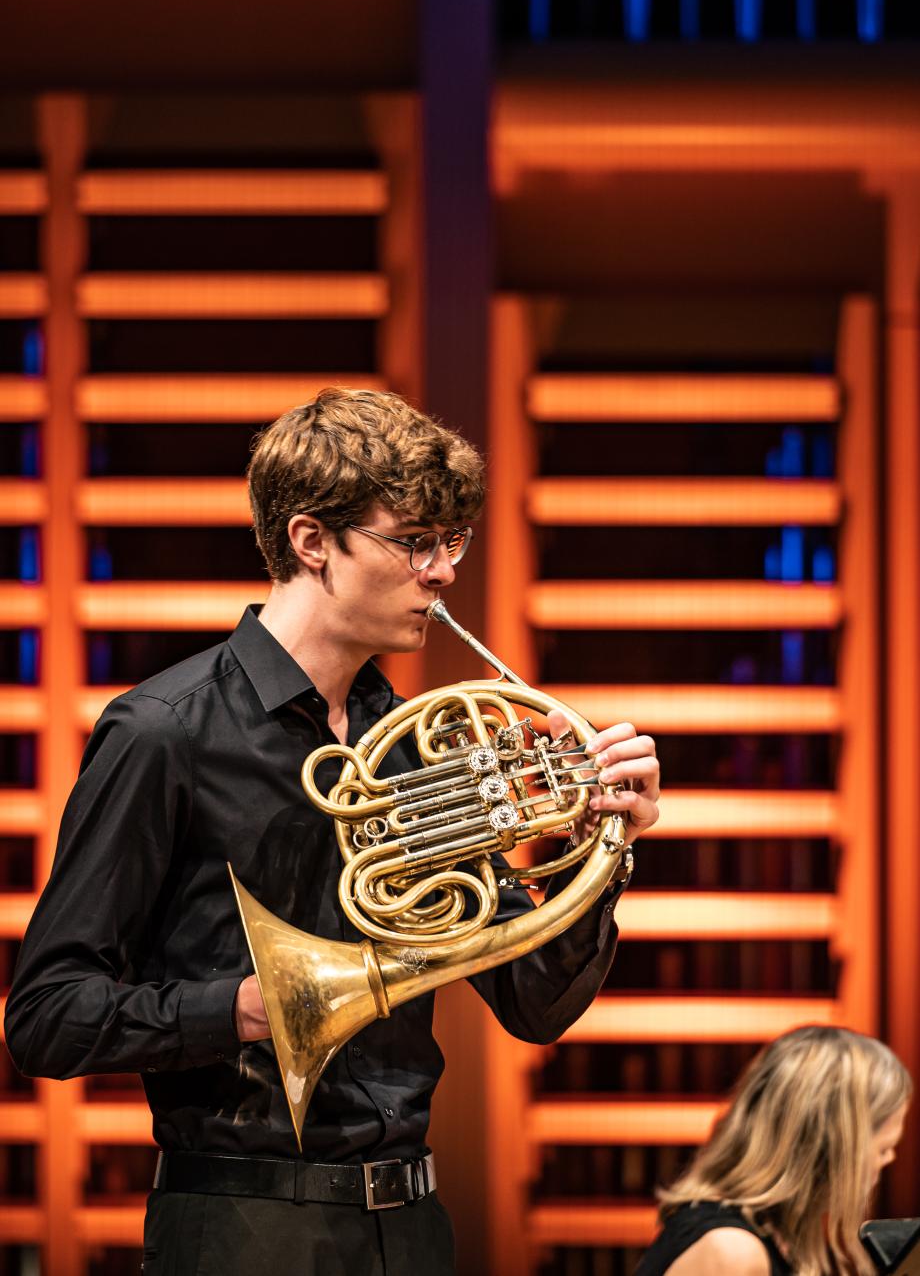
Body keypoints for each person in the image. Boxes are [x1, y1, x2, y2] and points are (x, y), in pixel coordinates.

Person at [5, 387, 661, 1276]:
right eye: (414, 541)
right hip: (241, 1227)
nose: (443, 571)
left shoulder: (416, 742)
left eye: (452, 541)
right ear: (312, 540)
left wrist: (603, 845)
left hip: (412, 1227)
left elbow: (535, 1005)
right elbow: (46, 1015)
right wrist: (242, 1009)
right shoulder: (166, 732)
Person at [636, 1025, 912, 1276]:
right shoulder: (733, 1252)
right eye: (883, 1149)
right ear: (830, 1148)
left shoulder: (779, 1233)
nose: (890, 1159)